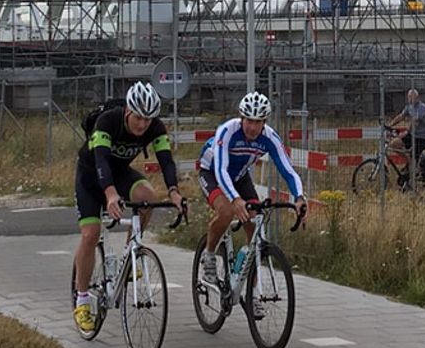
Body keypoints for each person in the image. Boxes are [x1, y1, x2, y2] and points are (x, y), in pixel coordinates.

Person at [72, 82, 183, 335]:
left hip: (120, 172)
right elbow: (101, 159)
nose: (142, 124)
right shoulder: (108, 121)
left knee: (147, 197)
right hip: (90, 177)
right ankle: (82, 299)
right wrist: (110, 194)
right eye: (139, 117)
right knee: (90, 234)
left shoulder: (155, 127)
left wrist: (174, 191)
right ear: (128, 111)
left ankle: (129, 254)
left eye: (148, 119)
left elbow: (166, 160)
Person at [195, 91, 307, 310]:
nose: (252, 127)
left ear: (264, 122)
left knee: (254, 228)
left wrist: (299, 197)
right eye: (248, 121)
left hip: (239, 177)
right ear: (241, 118)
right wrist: (235, 199)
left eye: (257, 122)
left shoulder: (270, 137)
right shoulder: (228, 131)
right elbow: (220, 168)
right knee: (227, 212)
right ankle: (209, 256)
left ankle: (252, 293)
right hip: (212, 173)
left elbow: (288, 170)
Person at [387, 88, 425, 163]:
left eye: (413, 97)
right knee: (393, 145)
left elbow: (415, 121)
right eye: (409, 97)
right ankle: (409, 161)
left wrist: (407, 132)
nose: (411, 99)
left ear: (417, 98)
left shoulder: (422, 108)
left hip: (422, 137)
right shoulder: (409, 106)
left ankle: (412, 165)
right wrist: (390, 125)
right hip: (413, 135)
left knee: (414, 155)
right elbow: (401, 116)